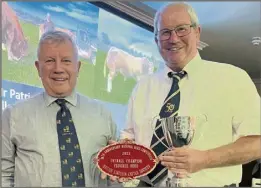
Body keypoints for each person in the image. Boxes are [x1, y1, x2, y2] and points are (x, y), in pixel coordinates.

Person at [120, 2, 261, 187]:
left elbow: (257, 143)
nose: (173, 38)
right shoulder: (142, 87)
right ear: (156, 39)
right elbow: (129, 138)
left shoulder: (233, 78)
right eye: (165, 32)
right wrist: (120, 154)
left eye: (181, 29)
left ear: (197, 32)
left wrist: (206, 158)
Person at [2, 31, 117, 187]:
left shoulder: (104, 116)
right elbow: (3, 176)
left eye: (66, 61)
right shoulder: (12, 116)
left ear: (78, 67)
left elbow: (114, 178)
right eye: (49, 60)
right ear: (38, 67)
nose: (58, 68)